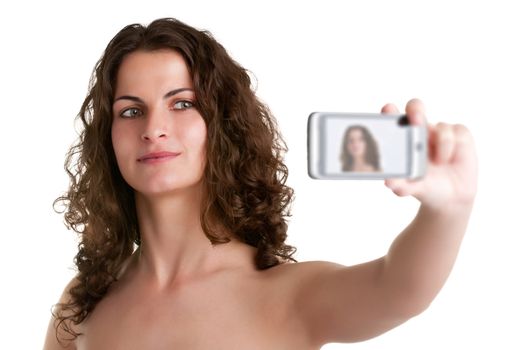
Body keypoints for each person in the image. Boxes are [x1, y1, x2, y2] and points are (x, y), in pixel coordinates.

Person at [43, 18, 478, 350]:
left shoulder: (289, 298)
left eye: (182, 104)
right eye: (131, 111)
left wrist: (448, 209)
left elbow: (399, 287)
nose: (154, 128)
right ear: (108, 137)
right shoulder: (83, 303)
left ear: (223, 125)